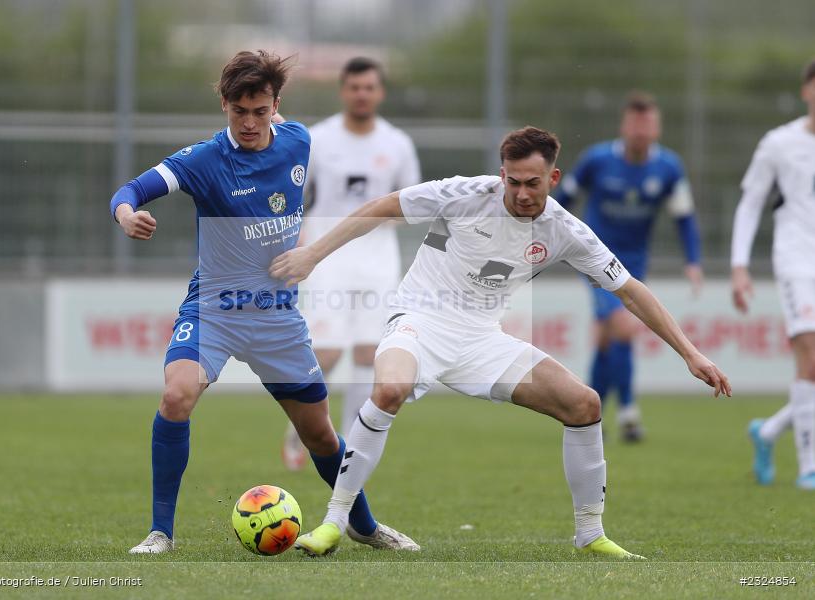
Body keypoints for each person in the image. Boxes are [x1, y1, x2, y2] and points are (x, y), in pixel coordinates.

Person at [270, 126, 731, 558]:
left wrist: (691, 353)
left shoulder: (565, 230)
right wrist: (313, 253)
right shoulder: (465, 194)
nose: (522, 193)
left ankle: (591, 534)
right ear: (501, 173)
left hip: (482, 341)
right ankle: (335, 520)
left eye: (533, 183)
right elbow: (381, 207)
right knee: (388, 390)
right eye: (513, 182)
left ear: (553, 178)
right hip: (419, 320)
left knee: (584, 404)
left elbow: (629, 290)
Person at [109, 50, 418, 554]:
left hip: (276, 318)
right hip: (216, 309)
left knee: (320, 435)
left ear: (276, 106)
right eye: (238, 111)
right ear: (224, 106)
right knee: (176, 395)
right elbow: (132, 189)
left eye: (260, 111)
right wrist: (125, 214)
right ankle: (160, 532)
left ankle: (363, 524)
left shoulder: (296, 140)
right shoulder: (204, 160)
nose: (249, 123)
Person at [281, 57, 421, 470]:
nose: (362, 94)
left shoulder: (397, 144)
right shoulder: (317, 139)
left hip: (378, 257)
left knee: (367, 354)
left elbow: (410, 202)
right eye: (354, 87)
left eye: (369, 87)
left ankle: (346, 447)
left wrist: (377, 217)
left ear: (379, 93)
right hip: (327, 255)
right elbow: (294, 193)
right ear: (343, 91)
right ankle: (301, 429)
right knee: (324, 354)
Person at [555, 92, 703, 442]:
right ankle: (629, 412)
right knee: (623, 326)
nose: (641, 131)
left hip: (634, 262)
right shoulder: (597, 160)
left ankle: (590, 413)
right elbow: (562, 202)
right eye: (635, 124)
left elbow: (684, 218)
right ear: (624, 126)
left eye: (648, 124)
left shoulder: (669, 167)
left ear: (657, 128)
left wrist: (693, 261)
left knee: (607, 338)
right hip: (594, 257)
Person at [734, 58, 815, 490]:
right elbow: (750, 203)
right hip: (797, 260)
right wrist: (739, 265)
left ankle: (767, 433)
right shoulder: (779, 143)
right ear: (806, 90)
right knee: (810, 355)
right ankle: (809, 468)